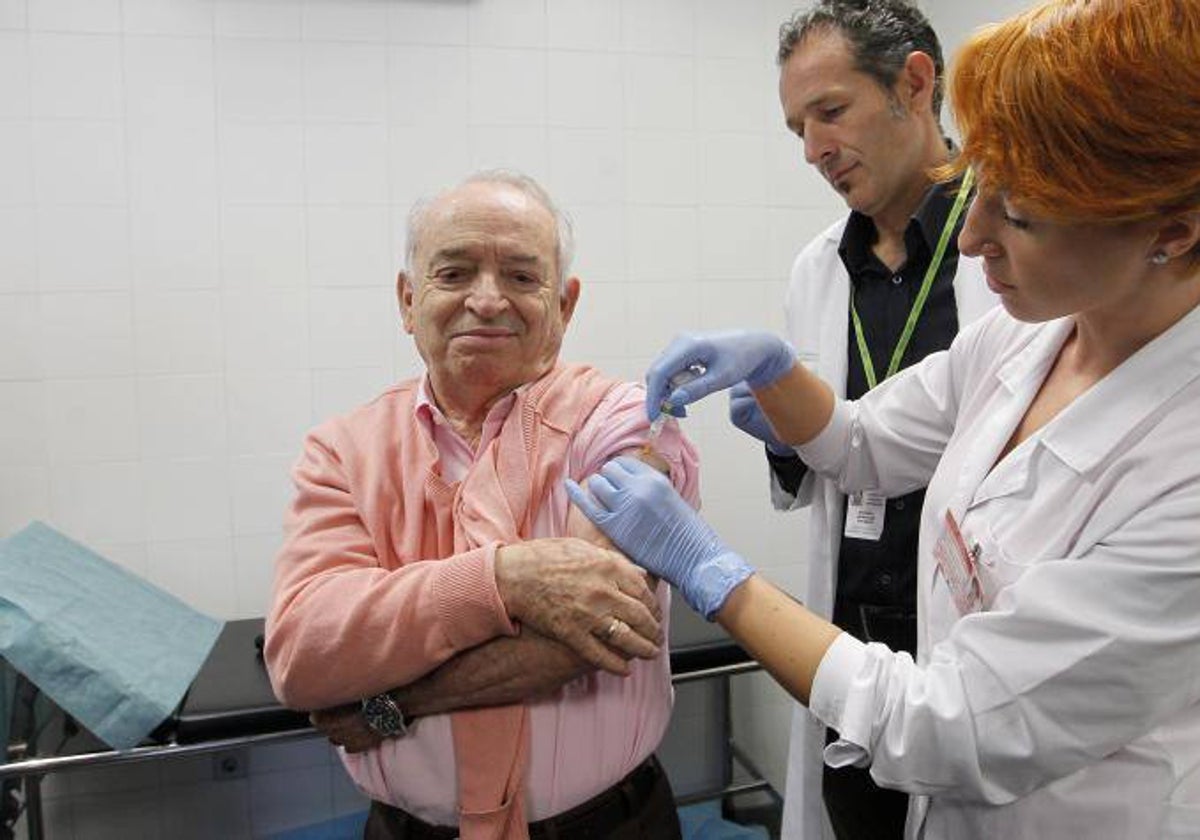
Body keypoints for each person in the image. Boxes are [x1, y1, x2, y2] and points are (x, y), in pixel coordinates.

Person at [568, 0, 1200, 836]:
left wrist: (714, 575)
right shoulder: (1030, 337)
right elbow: (863, 444)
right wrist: (775, 367)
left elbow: (947, 722)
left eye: (1016, 213)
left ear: (1174, 231)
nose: (972, 236)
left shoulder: (1180, 467)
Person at [264, 170, 699, 840]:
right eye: (455, 273)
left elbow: (601, 627)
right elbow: (302, 655)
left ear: (565, 303)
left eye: (523, 278)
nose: (488, 301)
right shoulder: (342, 453)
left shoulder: (625, 423)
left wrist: (392, 700)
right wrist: (504, 580)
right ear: (409, 300)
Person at [732, 3, 993, 836]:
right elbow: (830, 459)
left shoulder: (1008, 247)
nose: (813, 150)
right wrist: (785, 443)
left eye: (830, 111)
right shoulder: (819, 267)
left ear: (914, 85)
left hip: (967, 635)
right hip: (852, 639)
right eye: (797, 128)